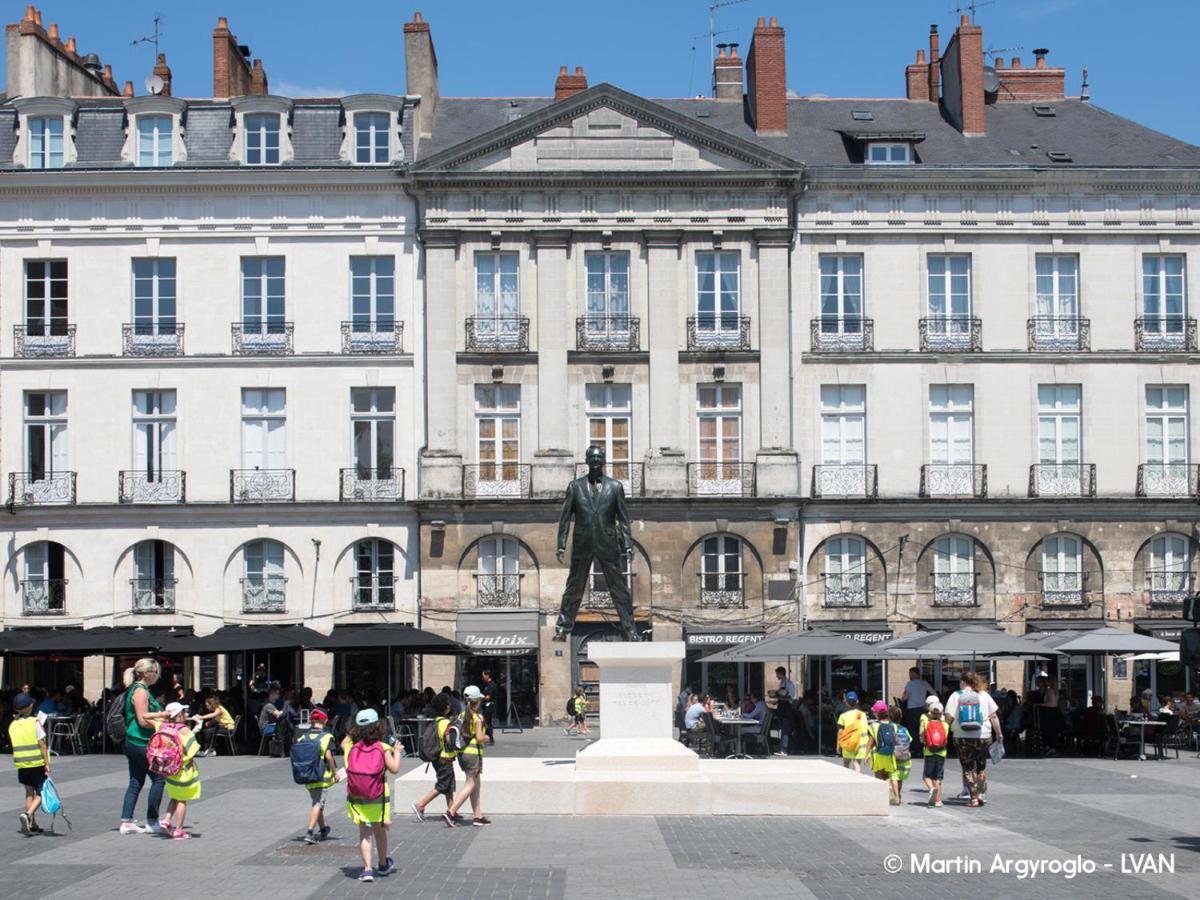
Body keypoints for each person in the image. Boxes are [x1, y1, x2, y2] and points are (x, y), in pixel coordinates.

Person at [345, 709, 401, 882]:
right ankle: (383, 864)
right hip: (379, 797)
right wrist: (397, 751)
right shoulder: (382, 748)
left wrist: (352, 733)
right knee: (380, 832)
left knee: (364, 834)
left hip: (358, 798)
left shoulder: (352, 748)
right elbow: (394, 769)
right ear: (378, 726)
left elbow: (345, 744)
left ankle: (367, 869)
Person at [120, 658, 170, 834]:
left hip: (134, 742)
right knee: (159, 778)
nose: (157, 675)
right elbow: (142, 720)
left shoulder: (138, 690)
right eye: (155, 671)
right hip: (140, 741)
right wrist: (162, 720)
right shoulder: (141, 692)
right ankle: (152, 820)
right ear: (145, 673)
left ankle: (127, 821)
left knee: (136, 781)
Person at [944, 671, 1002, 808]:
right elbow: (994, 716)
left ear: (963, 682)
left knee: (968, 768)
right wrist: (999, 733)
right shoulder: (984, 695)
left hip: (962, 736)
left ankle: (974, 798)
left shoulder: (956, 696)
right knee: (981, 767)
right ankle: (981, 794)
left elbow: (948, 717)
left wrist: (945, 733)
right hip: (983, 735)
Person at [444, 686, 490, 828]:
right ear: (477, 701)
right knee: (470, 784)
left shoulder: (461, 715)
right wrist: (487, 737)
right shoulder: (478, 717)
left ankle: (477, 816)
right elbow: (480, 737)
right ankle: (451, 812)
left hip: (462, 754)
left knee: (475, 785)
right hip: (473, 755)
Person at [156, 702, 201, 840]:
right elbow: (193, 749)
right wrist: (196, 728)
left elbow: (146, 717)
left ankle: (167, 820)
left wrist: (161, 715)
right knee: (182, 800)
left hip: (168, 768)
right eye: (183, 713)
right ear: (179, 715)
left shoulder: (162, 727)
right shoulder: (184, 729)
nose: (185, 715)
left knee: (174, 796)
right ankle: (179, 830)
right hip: (183, 769)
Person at [411, 693, 458, 822]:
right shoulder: (446, 723)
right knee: (443, 785)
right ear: (447, 707)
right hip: (445, 758)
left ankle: (452, 810)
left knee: (449, 785)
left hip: (437, 758)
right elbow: (449, 740)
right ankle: (420, 804)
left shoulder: (436, 721)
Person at [9, 692, 50, 835]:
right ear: (31, 706)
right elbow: (42, 744)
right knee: (42, 792)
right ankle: (27, 814)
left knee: (28, 793)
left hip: (21, 764)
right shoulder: (35, 722)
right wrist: (47, 763)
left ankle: (32, 824)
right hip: (36, 763)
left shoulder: (13, 725)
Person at [297, 708, 338, 844]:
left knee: (317, 802)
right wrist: (334, 772)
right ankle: (310, 832)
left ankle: (324, 828)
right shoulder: (326, 737)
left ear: (311, 721)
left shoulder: (303, 737)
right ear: (325, 721)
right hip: (322, 777)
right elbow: (329, 757)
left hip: (308, 776)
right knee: (317, 803)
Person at [920, 697, 948, 808]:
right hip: (941, 752)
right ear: (941, 713)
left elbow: (922, 737)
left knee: (927, 775)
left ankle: (931, 789)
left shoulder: (927, 724)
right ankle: (938, 800)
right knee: (938, 776)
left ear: (930, 713)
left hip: (929, 752)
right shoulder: (945, 725)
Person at [900, 667, 935, 755]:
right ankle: (923, 748)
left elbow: (906, 697)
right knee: (922, 729)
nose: (910, 676)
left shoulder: (910, 684)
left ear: (915, 674)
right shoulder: (924, 683)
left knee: (913, 730)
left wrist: (903, 699)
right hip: (922, 709)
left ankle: (916, 749)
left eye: (910, 674)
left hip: (912, 709)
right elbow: (934, 693)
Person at [836, 691, 869, 773]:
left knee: (846, 763)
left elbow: (840, 731)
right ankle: (857, 780)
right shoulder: (863, 715)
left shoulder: (843, 716)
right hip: (860, 744)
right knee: (856, 763)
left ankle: (848, 780)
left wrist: (838, 745)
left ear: (845, 702)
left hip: (848, 743)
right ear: (857, 701)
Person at [480, 671, 497, 746]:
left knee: (486, 723)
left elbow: (488, 697)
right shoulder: (486, 685)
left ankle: (490, 739)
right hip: (486, 706)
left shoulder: (491, 685)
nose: (482, 678)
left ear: (488, 676)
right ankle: (489, 738)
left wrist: (480, 698)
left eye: (483, 676)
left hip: (489, 707)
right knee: (488, 723)